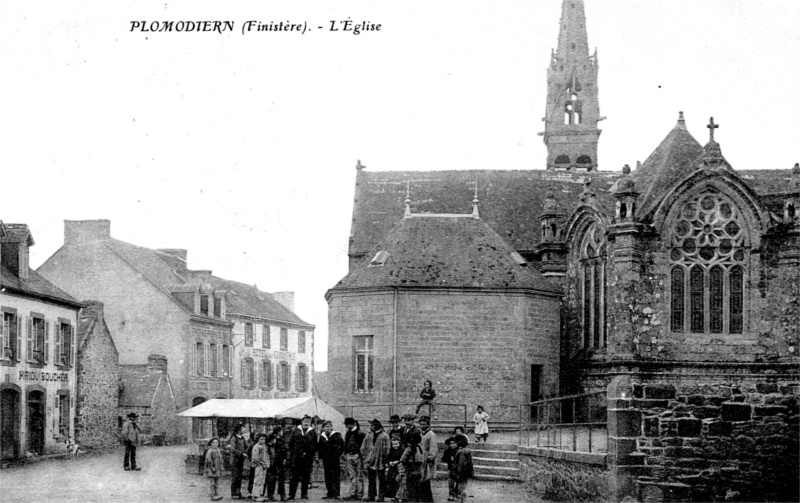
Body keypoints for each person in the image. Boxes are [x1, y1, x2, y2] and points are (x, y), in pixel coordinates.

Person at [288, 415, 317, 500]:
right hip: (296, 458)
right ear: (302, 421)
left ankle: (304, 494)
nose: (307, 423)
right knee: (294, 477)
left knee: (306, 477)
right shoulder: (296, 431)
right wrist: (294, 453)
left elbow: (315, 445)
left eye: (308, 421)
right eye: (305, 421)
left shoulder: (312, 432)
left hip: (307, 458)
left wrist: (309, 453)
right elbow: (291, 444)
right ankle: (291, 494)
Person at [361, 418, 391, 502]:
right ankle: (371, 496)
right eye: (371, 425)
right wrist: (366, 457)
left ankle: (381, 496)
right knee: (371, 479)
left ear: (377, 426)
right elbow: (363, 447)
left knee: (382, 479)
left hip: (381, 460)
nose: (371, 427)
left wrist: (385, 460)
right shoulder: (369, 435)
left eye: (373, 425)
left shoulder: (385, 436)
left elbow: (388, 449)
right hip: (370, 460)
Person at [318, 420, 344, 500]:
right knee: (328, 476)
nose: (327, 428)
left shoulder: (337, 435)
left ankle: (336, 493)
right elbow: (320, 448)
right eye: (326, 427)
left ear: (331, 427)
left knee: (335, 476)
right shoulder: (322, 437)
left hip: (335, 459)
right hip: (326, 460)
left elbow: (342, 446)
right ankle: (330, 493)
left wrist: (338, 454)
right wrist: (321, 457)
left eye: (329, 426)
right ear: (323, 428)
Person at [343, 417, 366, 501]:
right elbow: (346, 444)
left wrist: (361, 456)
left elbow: (363, 447)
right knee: (352, 476)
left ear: (352, 424)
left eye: (348, 424)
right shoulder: (348, 433)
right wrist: (345, 454)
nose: (347, 426)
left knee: (359, 476)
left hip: (357, 456)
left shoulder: (360, 433)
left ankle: (359, 494)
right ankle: (353, 494)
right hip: (350, 455)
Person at [399, 427, 423, 503]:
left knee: (410, 490)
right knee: (417, 489)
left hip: (410, 471)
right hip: (419, 472)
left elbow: (402, 459)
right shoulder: (419, 448)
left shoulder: (409, 449)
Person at [417, 416, 438, 502]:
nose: (422, 426)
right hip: (420, 458)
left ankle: (428, 499)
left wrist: (430, 457)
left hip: (426, 460)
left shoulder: (431, 434)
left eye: (424, 424)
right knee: (420, 480)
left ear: (428, 424)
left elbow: (433, 448)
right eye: (421, 424)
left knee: (425, 479)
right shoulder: (420, 433)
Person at [267, 426, 287, 502]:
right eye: (281, 431)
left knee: (282, 479)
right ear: (278, 431)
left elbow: (284, 450)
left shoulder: (282, 439)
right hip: (273, 462)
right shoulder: (272, 439)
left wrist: (285, 459)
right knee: (272, 479)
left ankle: (282, 494)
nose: (282, 432)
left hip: (281, 462)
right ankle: (270, 494)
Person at [228, 423, 248, 499]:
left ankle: (238, 492)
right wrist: (241, 453)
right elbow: (232, 449)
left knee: (239, 477)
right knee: (235, 477)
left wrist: (246, 452)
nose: (244, 429)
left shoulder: (242, 438)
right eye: (243, 428)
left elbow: (245, 447)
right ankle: (233, 493)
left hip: (241, 460)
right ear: (239, 429)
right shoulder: (233, 438)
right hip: (235, 460)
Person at [453, 436, 474, 503]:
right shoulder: (467, 450)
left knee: (461, 489)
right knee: (463, 487)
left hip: (462, 473)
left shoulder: (461, 452)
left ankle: (464, 501)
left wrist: (458, 473)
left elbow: (461, 464)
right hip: (466, 472)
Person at [251, 433, 270, 502]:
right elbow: (255, 458)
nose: (263, 440)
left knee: (262, 480)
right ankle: (255, 495)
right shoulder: (256, 447)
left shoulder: (264, 446)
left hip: (264, 466)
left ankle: (260, 494)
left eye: (264, 439)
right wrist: (262, 464)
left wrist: (266, 464)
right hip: (259, 466)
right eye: (261, 439)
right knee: (258, 480)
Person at [384, 436, 404, 502]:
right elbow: (388, 458)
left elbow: (403, 459)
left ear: (399, 444)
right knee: (390, 481)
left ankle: (398, 496)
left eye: (396, 444)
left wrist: (397, 462)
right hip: (392, 468)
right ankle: (391, 495)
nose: (395, 446)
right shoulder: (391, 451)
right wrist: (389, 462)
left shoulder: (402, 451)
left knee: (398, 481)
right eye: (393, 444)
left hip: (399, 468)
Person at [441, 437, 459, 501]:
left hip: (458, 469)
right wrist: (449, 459)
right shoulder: (448, 450)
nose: (452, 445)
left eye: (454, 443)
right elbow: (443, 459)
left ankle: (457, 493)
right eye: (451, 444)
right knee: (451, 482)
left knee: (458, 481)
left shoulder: (459, 451)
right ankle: (451, 494)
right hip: (451, 468)